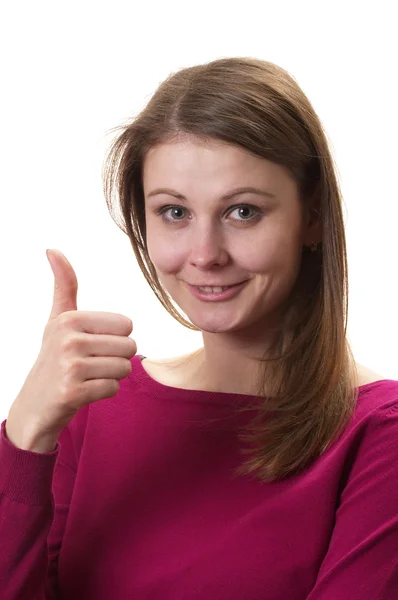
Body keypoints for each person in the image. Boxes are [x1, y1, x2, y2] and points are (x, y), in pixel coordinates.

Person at [1, 56, 397, 600]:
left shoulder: (380, 435)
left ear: (312, 216)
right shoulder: (94, 408)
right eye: (174, 213)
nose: (205, 255)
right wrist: (26, 431)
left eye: (242, 212)